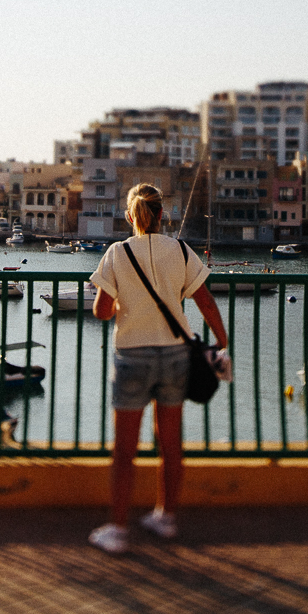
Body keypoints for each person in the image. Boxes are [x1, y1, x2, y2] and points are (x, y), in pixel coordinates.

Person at [86, 183, 228, 554]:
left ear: (130, 216)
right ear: (163, 215)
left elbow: (101, 310)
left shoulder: (116, 253)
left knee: (124, 449)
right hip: (176, 356)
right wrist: (222, 341)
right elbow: (205, 300)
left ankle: (117, 529)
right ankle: (165, 517)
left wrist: (122, 308)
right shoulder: (180, 250)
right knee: (170, 444)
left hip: (133, 356)